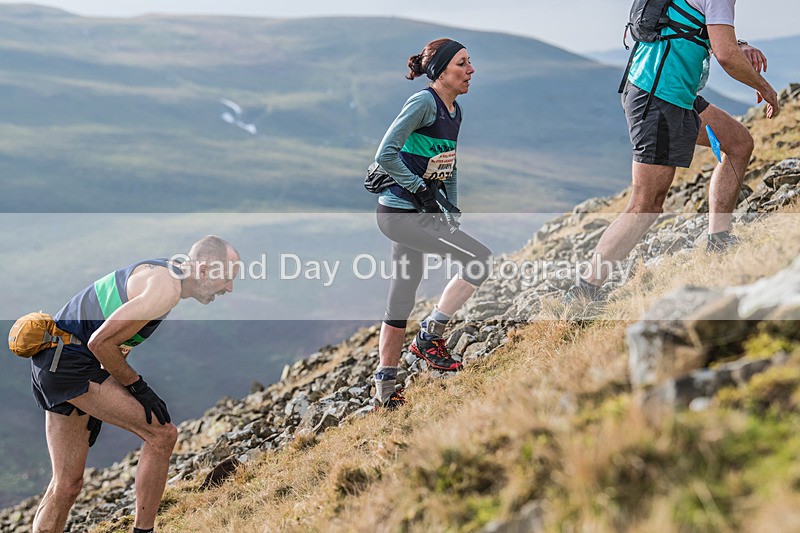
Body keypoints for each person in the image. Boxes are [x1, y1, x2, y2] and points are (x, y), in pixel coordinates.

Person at [566, 0, 780, 303]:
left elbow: (699, 25)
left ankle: (719, 240)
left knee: (738, 143)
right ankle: (584, 291)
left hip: (672, 93)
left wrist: (739, 43)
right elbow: (726, 55)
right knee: (646, 204)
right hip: (658, 98)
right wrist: (767, 89)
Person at [29, 235, 240, 533]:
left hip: (53, 362)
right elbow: (100, 342)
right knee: (162, 435)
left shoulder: (166, 275)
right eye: (228, 278)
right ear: (204, 270)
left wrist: (110, 391)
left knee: (67, 485)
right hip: (69, 365)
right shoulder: (164, 288)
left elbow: (111, 343)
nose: (230, 288)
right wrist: (137, 387)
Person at [371, 38, 492, 410]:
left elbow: (448, 162)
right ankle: (429, 337)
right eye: (461, 63)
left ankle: (385, 393)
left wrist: (449, 209)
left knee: (401, 298)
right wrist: (420, 190)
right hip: (399, 214)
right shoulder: (424, 102)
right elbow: (384, 154)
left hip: (418, 214)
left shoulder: (454, 111)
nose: (470, 70)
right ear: (440, 70)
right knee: (479, 261)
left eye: (470, 62)